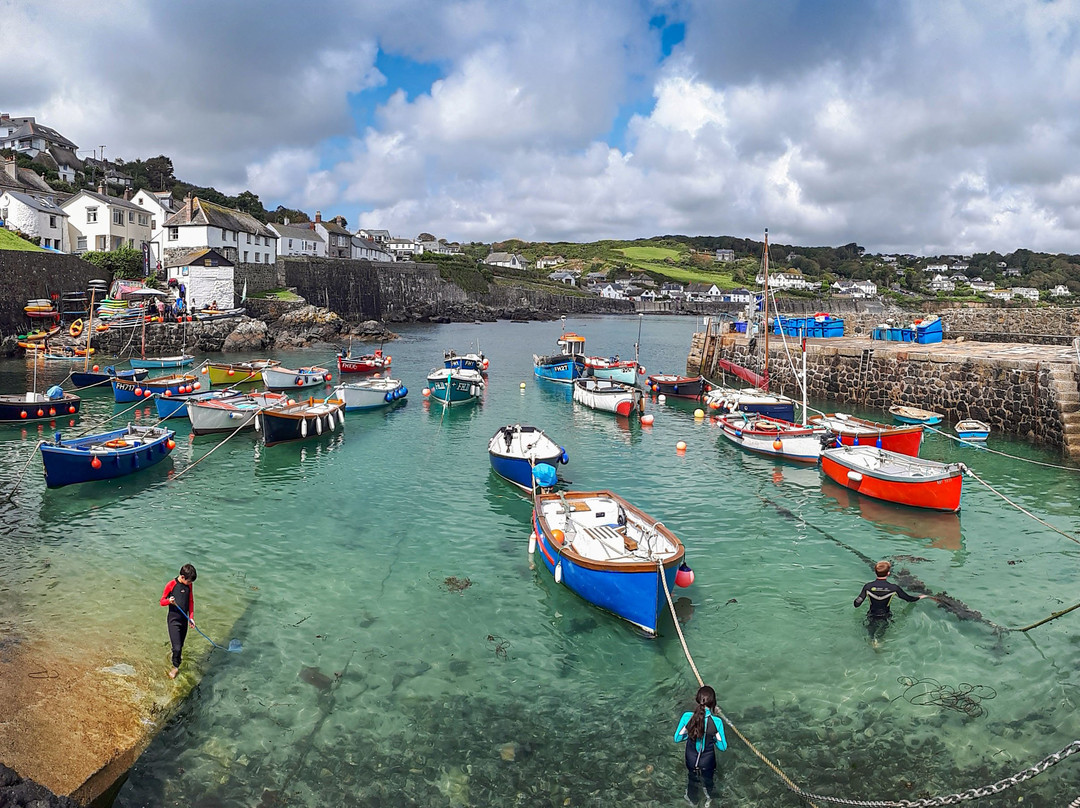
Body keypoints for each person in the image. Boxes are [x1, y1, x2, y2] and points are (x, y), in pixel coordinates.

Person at [674, 685, 727, 805]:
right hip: (708, 761)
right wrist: (714, 738)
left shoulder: (687, 717)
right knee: (709, 781)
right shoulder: (717, 722)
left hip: (691, 759)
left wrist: (691, 733)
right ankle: (709, 798)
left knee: (692, 780)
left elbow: (677, 738)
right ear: (713, 703)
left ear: (697, 699)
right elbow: (723, 747)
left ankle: (693, 801)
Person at [854, 560, 928, 641]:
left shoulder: (868, 587)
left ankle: (872, 639)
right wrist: (920, 597)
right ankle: (878, 642)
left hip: (871, 614)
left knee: (871, 629)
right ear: (888, 573)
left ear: (875, 572)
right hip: (886, 615)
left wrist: (859, 599)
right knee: (883, 629)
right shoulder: (893, 588)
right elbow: (909, 599)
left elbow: (857, 604)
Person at [160, 564, 197, 679]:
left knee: (180, 645)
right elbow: (162, 601)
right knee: (177, 648)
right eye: (189, 581)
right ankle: (175, 667)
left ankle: (174, 655)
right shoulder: (171, 585)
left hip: (184, 620)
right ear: (182, 576)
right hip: (173, 619)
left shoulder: (189, 586)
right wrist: (169, 601)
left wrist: (191, 617)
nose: (190, 583)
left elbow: (191, 601)